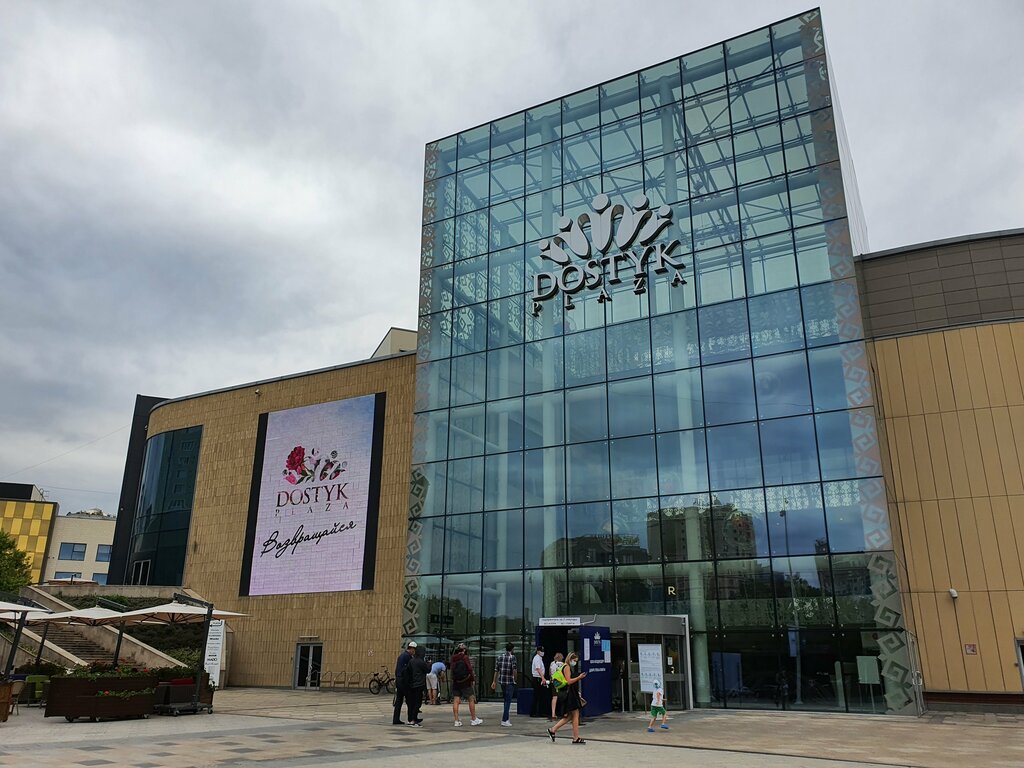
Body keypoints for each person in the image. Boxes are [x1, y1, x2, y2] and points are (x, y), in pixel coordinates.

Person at [547, 651, 587, 745]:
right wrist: (579, 677)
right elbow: (568, 681)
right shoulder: (567, 667)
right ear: (570, 659)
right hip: (569, 694)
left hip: (569, 692)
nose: (575, 662)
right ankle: (575, 738)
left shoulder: (563, 666)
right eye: (574, 660)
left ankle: (553, 730)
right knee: (575, 715)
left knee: (570, 716)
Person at [450, 642, 482, 726]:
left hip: (456, 682)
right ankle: (473, 719)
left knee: (456, 700)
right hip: (466, 681)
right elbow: (469, 669)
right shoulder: (465, 657)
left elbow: (452, 669)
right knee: (471, 698)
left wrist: (453, 679)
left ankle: (456, 720)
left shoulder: (453, 658)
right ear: (464, 650)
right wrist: (472, 679)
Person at [491, 642, 518, 727]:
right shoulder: (512, 657)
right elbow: (514, 669)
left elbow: (496, 670)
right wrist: (515, 679)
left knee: (505, 700)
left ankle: (506, 718)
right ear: (512, 649)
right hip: (510, 681)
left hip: (502, 681)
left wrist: (494, 681)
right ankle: (504, 719)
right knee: (508, 701)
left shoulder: (500, 657)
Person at [393, 641, 417, 725]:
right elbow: (408, 670)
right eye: (414, 650)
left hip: (399, 679)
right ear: (412, 649)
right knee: (410, 700)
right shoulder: (408, 657)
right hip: (404, 681)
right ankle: (411, 719)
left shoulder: (401, 656)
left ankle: (396, 719)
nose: (414, 652)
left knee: (399, 700)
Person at [407, 646, 430, 726]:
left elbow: (408, 671)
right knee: (417, 702)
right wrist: (429, 664)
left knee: (411, 702)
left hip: (411, 684)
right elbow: (428, 670)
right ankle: (414, 719)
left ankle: (411, 718)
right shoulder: (421, 662)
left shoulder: (411, 661)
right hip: (419, 684)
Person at [529, 645, 547, 717]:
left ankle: (539, 711)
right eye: (541, 651)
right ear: (538, 651)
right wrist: (543, 678)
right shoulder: (537, 658)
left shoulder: (539, 658)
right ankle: (533, 712)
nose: (542, 652)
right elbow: (538, 669)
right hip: (537, 678)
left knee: (540, 695)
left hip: (539, 678)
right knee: (537, 695)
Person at [548, 652, 564, 720]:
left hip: (553, 682)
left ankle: (553, 714)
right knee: (563, 697)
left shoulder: (552, 663)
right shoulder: (562, 664)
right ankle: (564, 712)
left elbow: (550, 673)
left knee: (554, 697)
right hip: (561, 682)